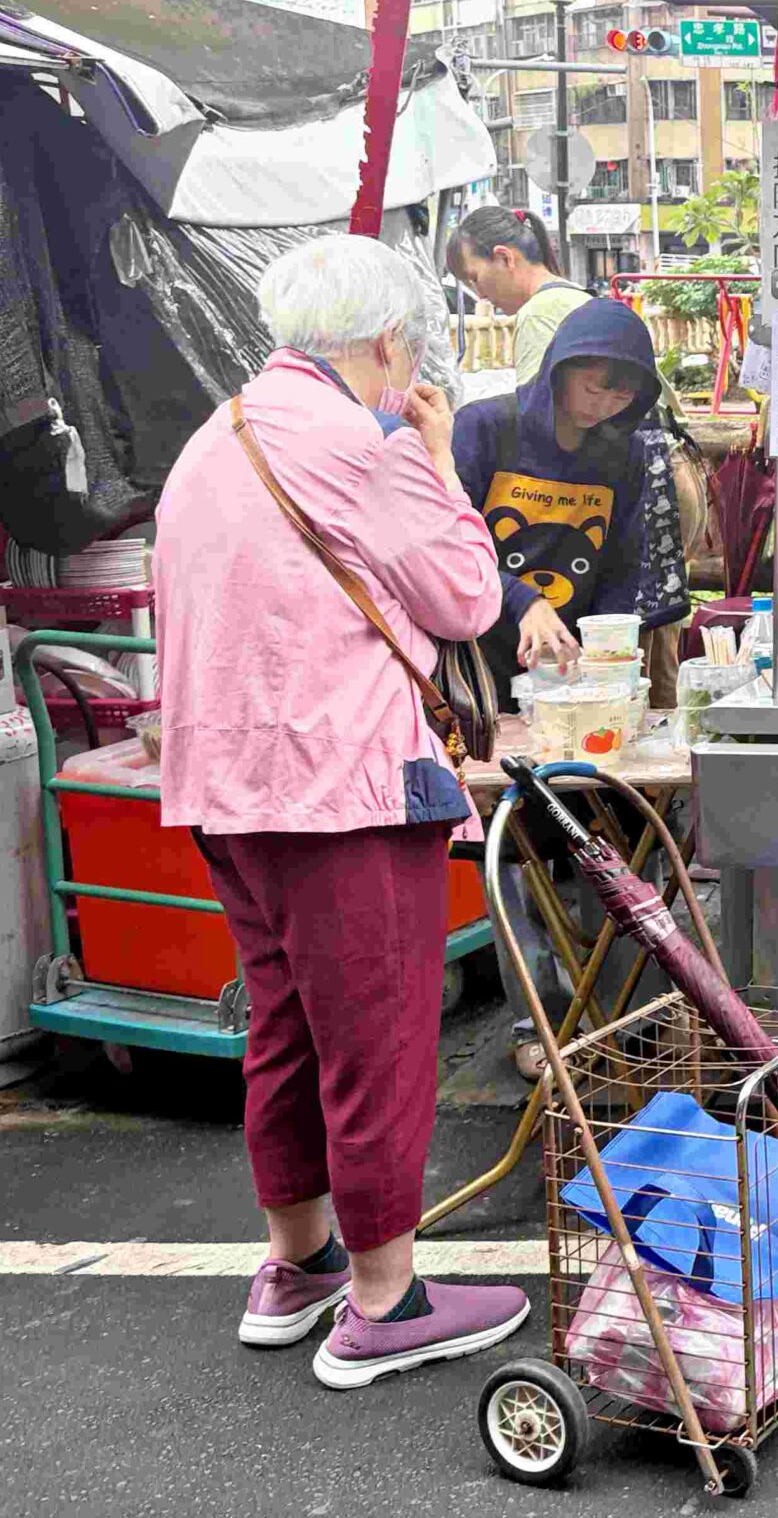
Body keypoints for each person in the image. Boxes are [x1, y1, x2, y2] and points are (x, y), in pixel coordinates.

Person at [155, 235, 530, 1387]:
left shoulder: (215, 435)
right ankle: (383, 1297)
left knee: (286, 1028)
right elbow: (467, 597)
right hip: (345, 787)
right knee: (377, 1040)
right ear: (385, 344)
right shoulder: (364, 445)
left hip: (225, 785)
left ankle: (298, 1262)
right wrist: (437, 458)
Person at [452, 298, 675, 693]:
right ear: (558, 369)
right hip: (474, 658)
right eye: (592, 390)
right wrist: (525, 600)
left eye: (621, 399)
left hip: (564, 664)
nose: (603, 407)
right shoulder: (482, 429)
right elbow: (449, 548)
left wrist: (605, 655)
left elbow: (620, 566)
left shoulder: (625, 453)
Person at [445, 205, 589, 386]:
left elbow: (537, 409)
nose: (480, 295)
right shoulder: (576, 294)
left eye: (475, 278)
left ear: (505, 258)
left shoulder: (538, 315)